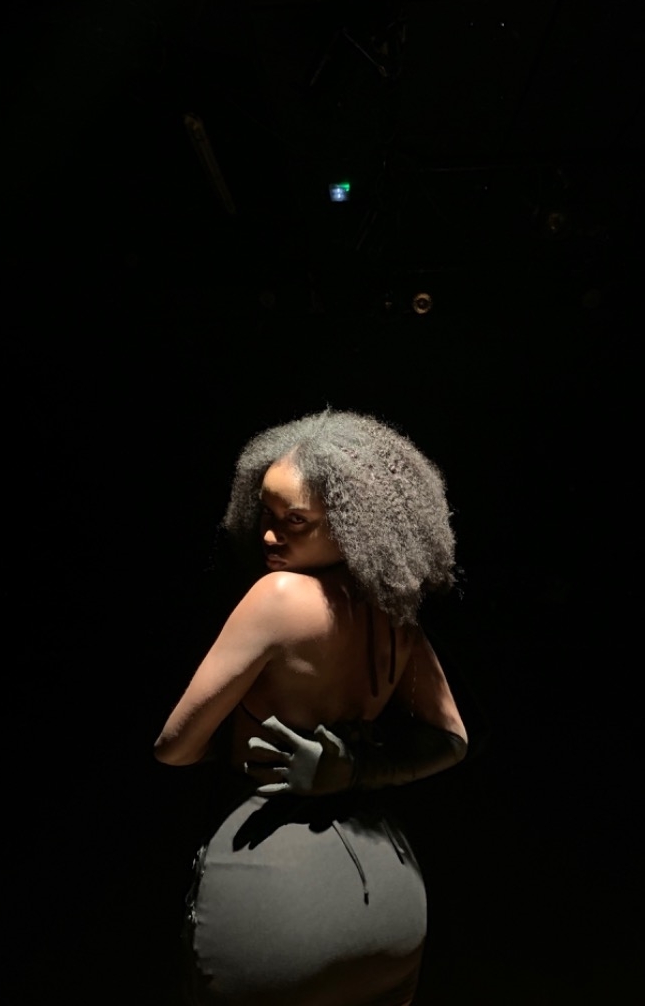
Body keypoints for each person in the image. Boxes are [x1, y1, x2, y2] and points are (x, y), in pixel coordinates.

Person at [154, 409, 468, 1006]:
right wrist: (356, 769)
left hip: (277, 891)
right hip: (389, 893)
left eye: (296, 521)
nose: (270, 536)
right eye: (267, 516)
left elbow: (174, 747)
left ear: (350, 524)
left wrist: (227, 747)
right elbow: (452, 741)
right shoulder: (394, 615)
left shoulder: (276, 597)